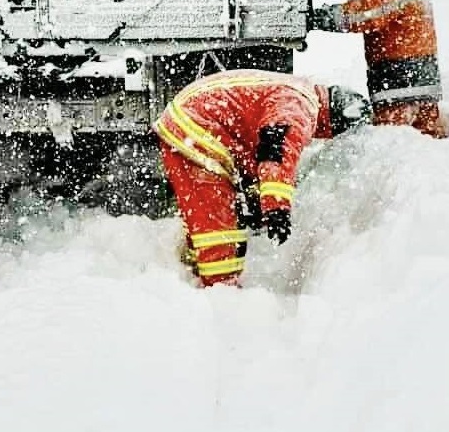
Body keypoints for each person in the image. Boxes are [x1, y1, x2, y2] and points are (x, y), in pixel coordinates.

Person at [152, 69, 369, 287]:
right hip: (197, 129)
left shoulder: (297, 91)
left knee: (208, 215)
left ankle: (191, 273)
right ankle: (221, 293)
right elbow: (276, 152)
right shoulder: (301, 108)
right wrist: (277, 208)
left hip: (195, 121)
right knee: (218, 230)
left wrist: (257, 192)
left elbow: (255, 138)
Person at [309, 0, 449, 138]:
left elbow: (362, 14)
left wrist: (322, 17)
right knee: (427, 134)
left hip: (398, 81)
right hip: (423, 79)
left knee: (392, 138)